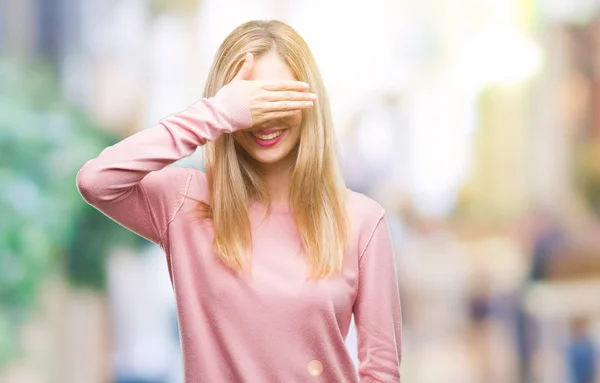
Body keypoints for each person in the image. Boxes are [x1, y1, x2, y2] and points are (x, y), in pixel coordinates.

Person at [76, 19, 402, 382]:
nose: (263, 119)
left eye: (277, 97)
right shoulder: (183, 203)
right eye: (250, 101)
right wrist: (216, 114)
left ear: (310, 102)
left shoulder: (362, 220)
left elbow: (381, 370)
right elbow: (97, 180)